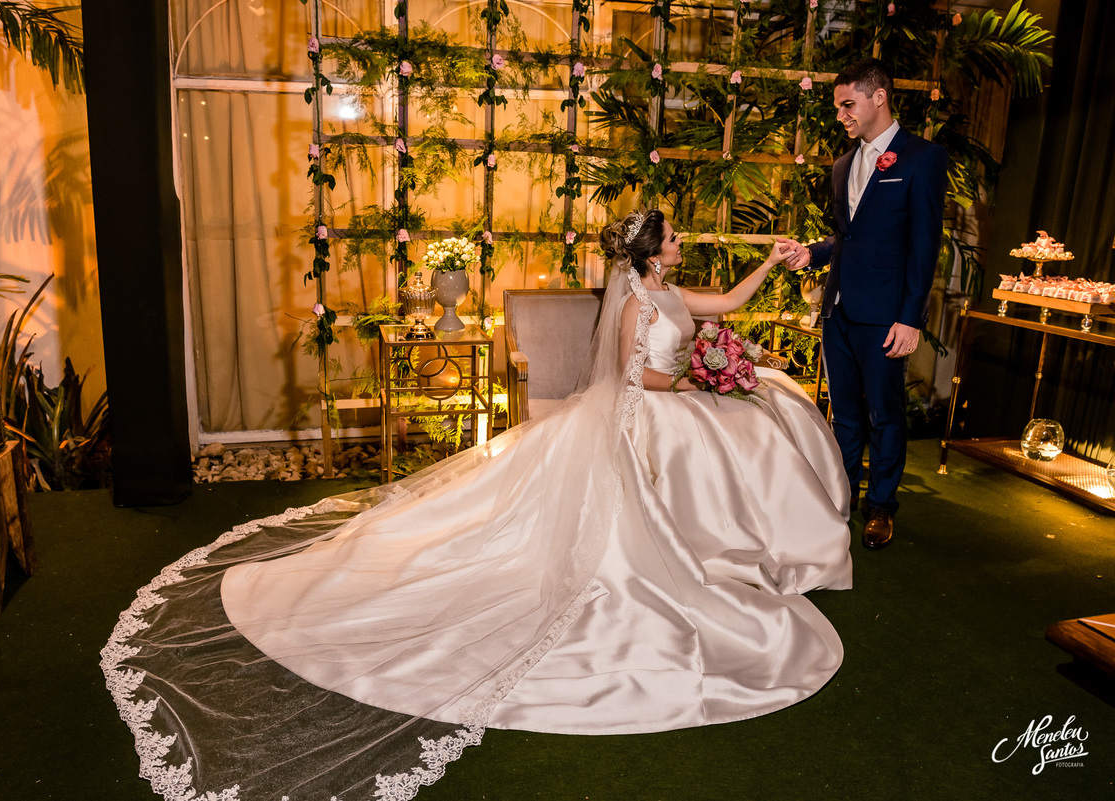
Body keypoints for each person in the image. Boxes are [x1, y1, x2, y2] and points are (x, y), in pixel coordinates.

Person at [102, 211, 853, 801]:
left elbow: (725, 302)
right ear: (651, 252)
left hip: (675, 400)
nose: (682, 240)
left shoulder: (667, 292)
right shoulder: (634, 308)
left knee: (750, 420)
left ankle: (742, 541)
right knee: (698, 444)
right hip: (647, 409)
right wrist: (689, 383)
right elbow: (633, 378)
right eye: (674, 235)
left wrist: (768, 266)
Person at [788, 59, 949, 550]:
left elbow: (924, 245)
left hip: (885, 316)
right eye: (838, 106)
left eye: (847, 104)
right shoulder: (843, 165)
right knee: (844, 414)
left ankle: (881, 506)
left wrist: (910, 318)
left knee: (885, 413)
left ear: (878, 97)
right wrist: (810, 254)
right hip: (839, 311)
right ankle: (840, 499)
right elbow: (849, 237)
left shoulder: (922, 158)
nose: (840, 114)